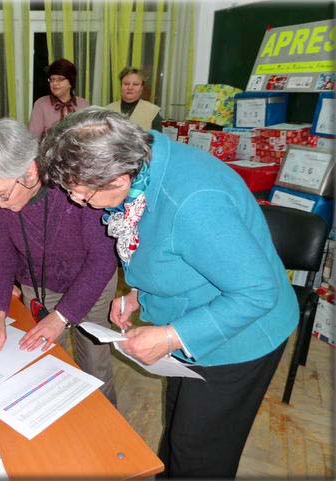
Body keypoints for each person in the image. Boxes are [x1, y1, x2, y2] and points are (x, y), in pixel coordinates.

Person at [39, 107, 298, 478]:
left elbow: (256, 292)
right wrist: (140, 296)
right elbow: (173, 255)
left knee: (200, 452)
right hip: (199, 313)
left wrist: (172, 335)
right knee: (180, 431)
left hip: (241, 338)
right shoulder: (141, 161)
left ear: (115, 178)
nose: (77, 203)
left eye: (80, 194)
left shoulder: (193, 202)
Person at [0, 118, 118, 405]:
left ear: (30, 172)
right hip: (37, 284)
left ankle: (109, 433)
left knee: (94, 368)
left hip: (91, 283)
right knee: (37, 366)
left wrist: (62, 317)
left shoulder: (77, 184)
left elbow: (101, 260)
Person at [28, 58, 89, 140]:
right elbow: (32, 139)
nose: (54, 83)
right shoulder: (41, 105)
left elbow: (89, 138)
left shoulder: (83, 105)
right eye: (52, 79)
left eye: (60, 79)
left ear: (71, 82)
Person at [104, 67, 162, 131]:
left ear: (142, 88)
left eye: (135, 84)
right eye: (126, 84)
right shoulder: (108, 110)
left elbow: (159, 139)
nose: (130, 87)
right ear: (121, 86)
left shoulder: (152, 111)